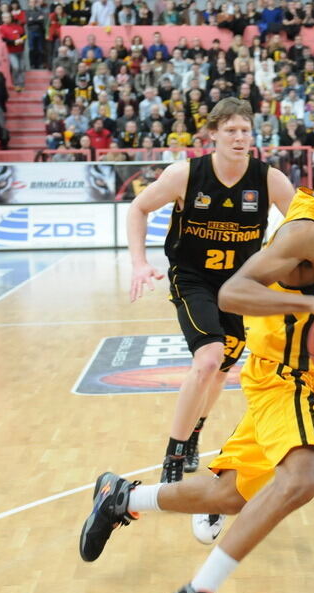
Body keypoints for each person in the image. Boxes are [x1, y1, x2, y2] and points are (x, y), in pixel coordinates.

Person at [79, 135, 314, 593]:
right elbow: (233, 293)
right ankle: (199, 590)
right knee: (302, 479)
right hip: (286, 380)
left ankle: (121, 497)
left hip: (307, 381)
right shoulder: (303, 229)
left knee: (230, 495)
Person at [126, 97, 295, 497]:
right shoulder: (185, 174)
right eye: (231, 130)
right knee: (208, 357)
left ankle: (196, 431)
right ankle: (173, 452)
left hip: (240, 287)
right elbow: (138, 208)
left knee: (221, 370)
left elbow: (305, 224)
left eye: (245, 131)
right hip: (193, 278)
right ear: (213, 134)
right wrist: (138, 263)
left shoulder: (270, 179)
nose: (239, 138)